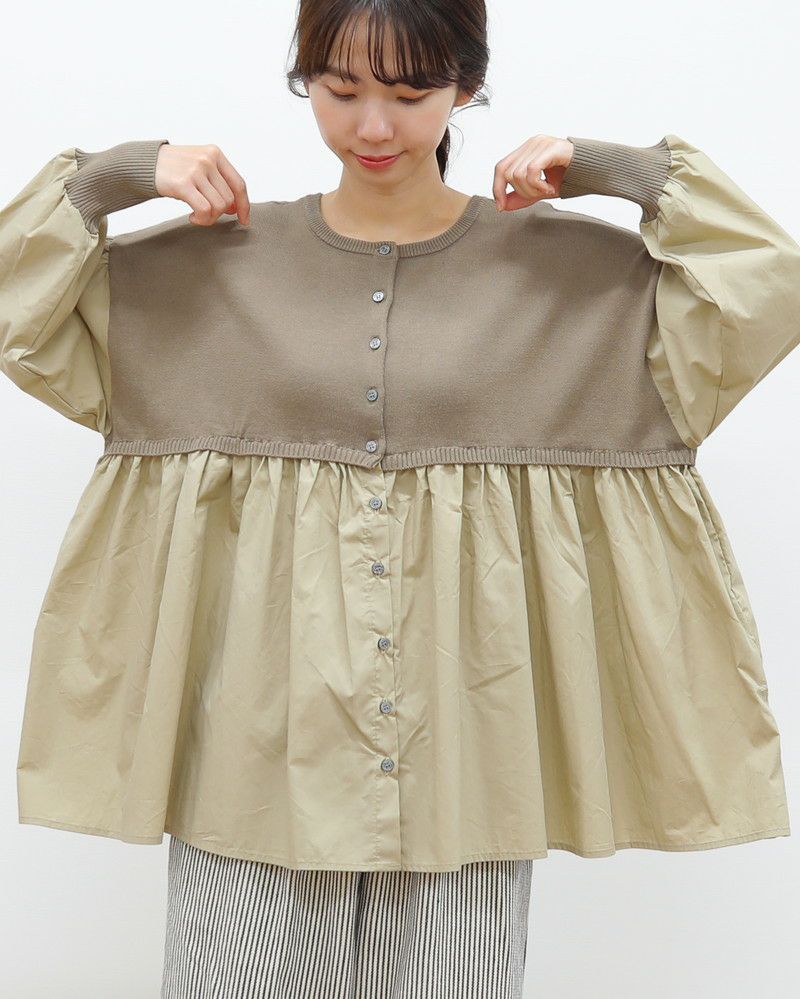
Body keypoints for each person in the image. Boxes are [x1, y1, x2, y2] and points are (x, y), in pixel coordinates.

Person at [2, 1, 798, 996]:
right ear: (305, 81)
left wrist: (619, 171)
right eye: (340, 91)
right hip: (253, 756)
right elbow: (18, 306)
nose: (372, 127)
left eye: (411, 94)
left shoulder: (578, 283)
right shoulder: (197, 275)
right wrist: (111, 177)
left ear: (467, 85)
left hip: (468, 760)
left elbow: (763, 289)